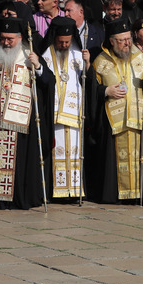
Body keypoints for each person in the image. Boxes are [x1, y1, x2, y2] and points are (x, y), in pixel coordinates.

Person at [0, 17, 55, 210]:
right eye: (3, 38)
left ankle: (16, 198)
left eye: (10, 39)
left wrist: (38, 67)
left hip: (19, 118)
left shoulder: (29, 55)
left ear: (20, 38)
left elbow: (49, 81)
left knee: (19, 162)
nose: (5, 43)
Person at [89, 18, 143, 203]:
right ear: (111, 41)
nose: (127, 43)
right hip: (113, 121)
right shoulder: (100, 61)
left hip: (138, 118)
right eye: (122, 40)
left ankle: (138, 195)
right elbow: (90, 90)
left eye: (128, 38)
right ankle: (117, 195)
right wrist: (105, 91)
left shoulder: (140, 57)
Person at [40, 18, 88, 200]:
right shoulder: (45, 53)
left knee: (75, 153)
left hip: (74, 113)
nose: (64, 45)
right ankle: (57, 192)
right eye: (61, 42)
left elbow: (86, 80)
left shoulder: (78, 54)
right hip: (53, 113)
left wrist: (88, 63)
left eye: (67, 42)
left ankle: (75, 192)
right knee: (57, 152)